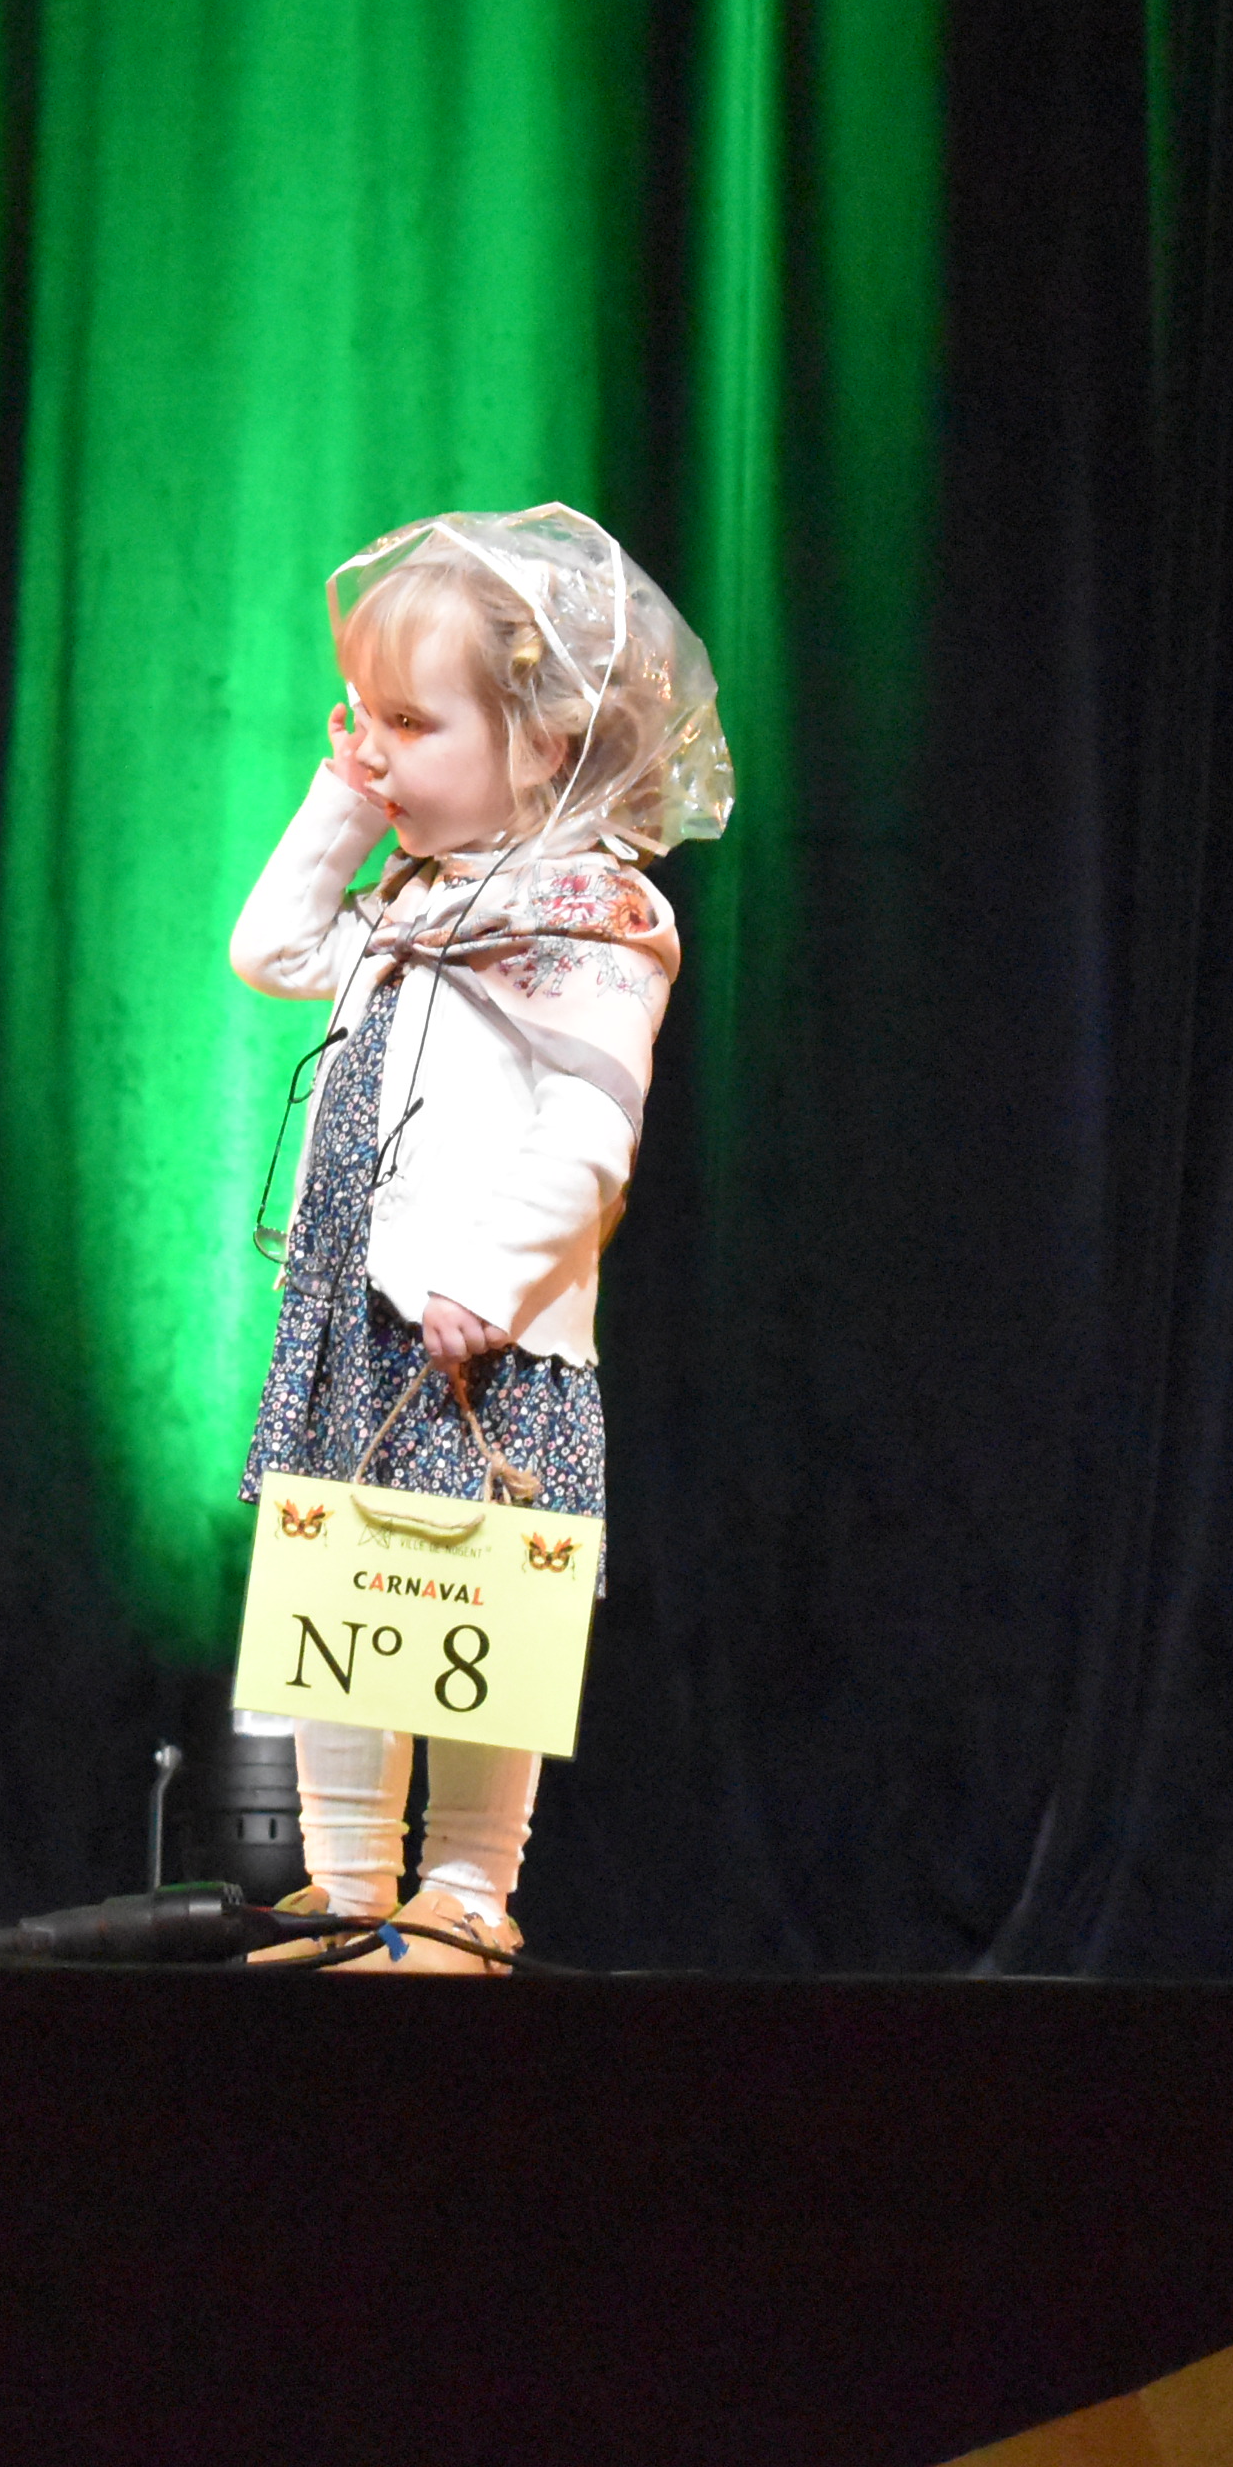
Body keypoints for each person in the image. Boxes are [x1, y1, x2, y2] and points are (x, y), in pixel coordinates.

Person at [227, 505, 727, 1970]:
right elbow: (270, 949)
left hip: (476, 1330)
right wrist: (343, 800)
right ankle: (347, 1884)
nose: (376, 752)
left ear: (544, 741)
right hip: (355, 1313)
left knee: (477, 1597)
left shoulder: (589, 912)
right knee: (338, 1586)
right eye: (362, 720)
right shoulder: (414, 899)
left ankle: (466, 1888)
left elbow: (591, 1127)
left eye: (411, 724)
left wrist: (493, 1280)